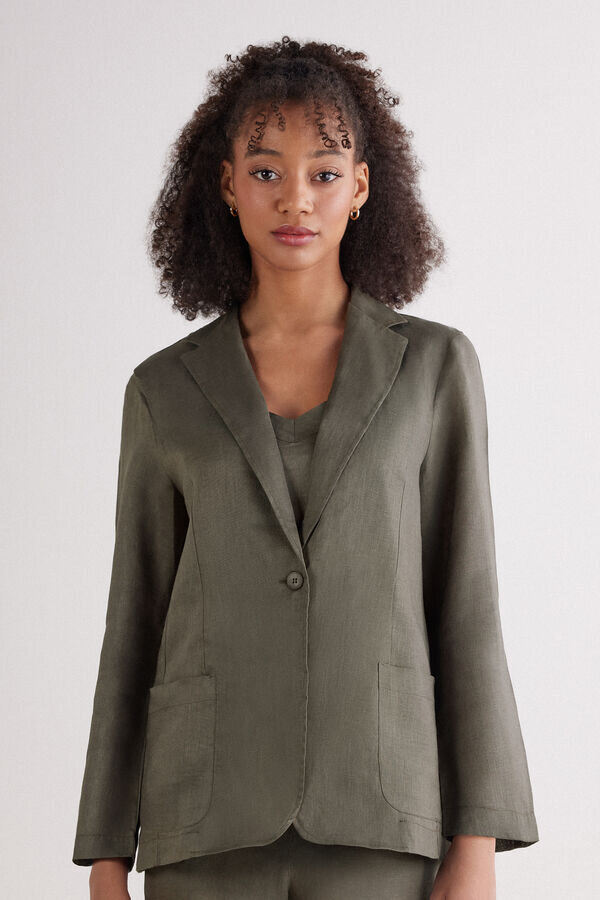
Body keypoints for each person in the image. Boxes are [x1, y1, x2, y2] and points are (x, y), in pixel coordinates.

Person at [73, 35, 539, 900]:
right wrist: (105, 853)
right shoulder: (163, 388)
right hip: (202, 823)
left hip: (381, 813)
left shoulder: (434, 367)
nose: (296, 198)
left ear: (360, 186)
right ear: (227, 184)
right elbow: (132, 623)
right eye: (266, 171)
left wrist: (476, 842)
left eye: (324, 172)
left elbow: (467, 606)